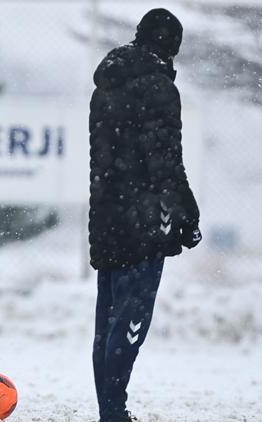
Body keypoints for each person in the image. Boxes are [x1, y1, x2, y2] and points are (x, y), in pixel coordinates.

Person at [88, 9, 202, 422]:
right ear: (170, 46)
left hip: (106, 217)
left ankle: (109, 409)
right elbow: (166, 160)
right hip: (144, 220)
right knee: (132, 320)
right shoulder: (158, 88)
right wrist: (187, 214)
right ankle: (114, 412)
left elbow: (104, 158)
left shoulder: (106, 85)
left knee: (108, 321)